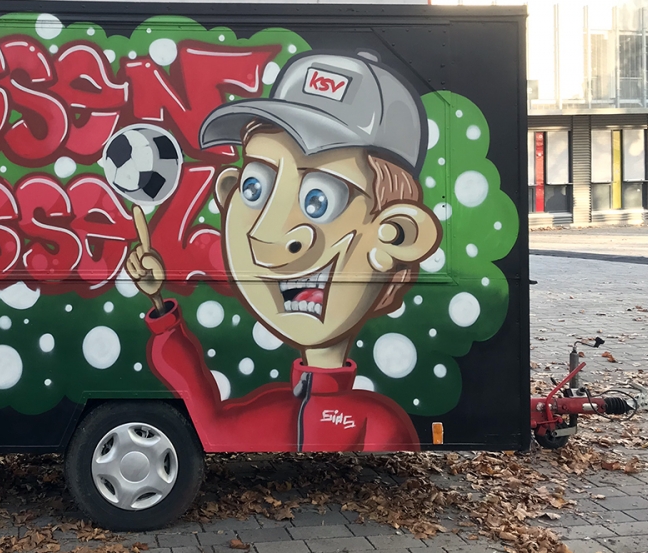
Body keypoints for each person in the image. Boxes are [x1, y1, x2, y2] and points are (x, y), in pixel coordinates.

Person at [125, 51, 441, 452]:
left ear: (396, 233)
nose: (265, 232)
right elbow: (210, 425)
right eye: (254, 188)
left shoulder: (377, 424)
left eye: (319, 199)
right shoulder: (267, 410)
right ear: (228, 192)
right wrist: (161, 311)